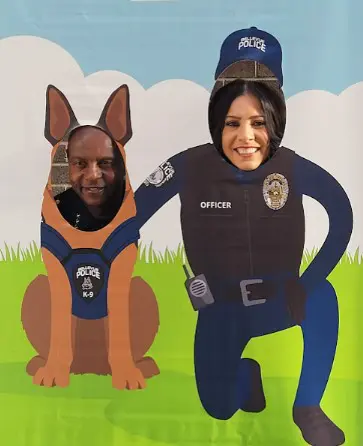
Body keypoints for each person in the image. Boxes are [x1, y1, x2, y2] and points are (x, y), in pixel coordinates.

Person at [134, 27, 352, 446]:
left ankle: (307, 406)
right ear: (216, 116)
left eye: (258, 122)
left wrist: (307, 281)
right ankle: (245, 375)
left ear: (277, 118)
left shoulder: (291, 168)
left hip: (280, 299)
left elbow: (341, 213)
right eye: (233, 123)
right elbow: (133, 213)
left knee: (324, 296)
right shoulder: (188, 166)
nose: (246, 137)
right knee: (218, 406)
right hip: (220, 310)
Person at [54, 125, 126, 231]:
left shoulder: (136, 204)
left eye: (105, 163)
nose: (93, 175)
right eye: (80, 163)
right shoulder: (59, 209)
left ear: (121, 164)